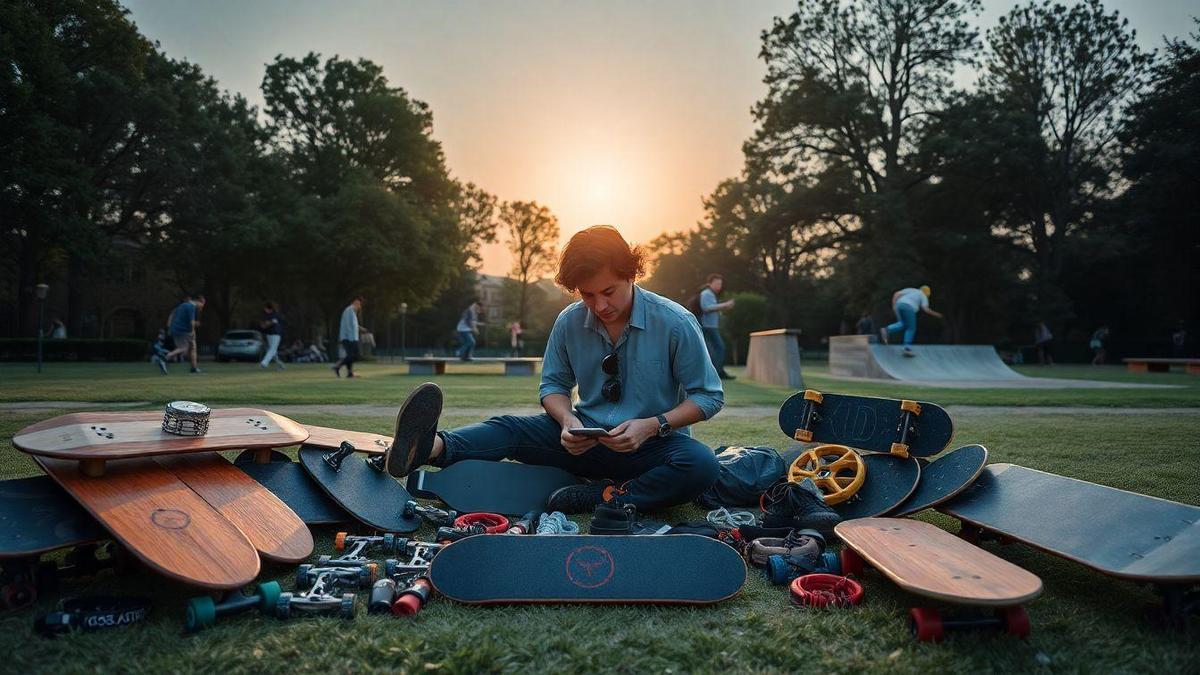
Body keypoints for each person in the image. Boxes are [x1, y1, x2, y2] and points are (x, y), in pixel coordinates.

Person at [385, 226, 729, 514]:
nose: (600, 305)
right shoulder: (569, 321)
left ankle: (605, 496)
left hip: (651, 447)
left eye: (609, 292)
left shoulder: (675, 322)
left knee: (702, 464)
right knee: (509, 427)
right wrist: (567, 421)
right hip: (584, 442)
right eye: (588, 295)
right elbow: (552, 386)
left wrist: (653, 425)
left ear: (631, 273)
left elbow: (709, 396)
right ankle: (428, 448)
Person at [880, 285, 943, 355]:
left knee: (903, 323)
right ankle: (907, 348)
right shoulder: (923, 295)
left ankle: (887, 330)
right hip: (909, 308)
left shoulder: (911, 290)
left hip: (899, 305)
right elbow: (925, 309)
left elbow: (896, 294)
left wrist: (894, 306)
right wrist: (937, 314)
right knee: (911, 328)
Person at [698, 274, 736, 380]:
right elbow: (706, 308)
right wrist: (725, 305)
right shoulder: (706, 293)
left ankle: (717, 371)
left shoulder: (711, 294)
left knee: (714, 349)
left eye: (720, 284)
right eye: (717, 283)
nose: (719, 286)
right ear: (710, 283)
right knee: (719, 348)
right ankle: (717, 372)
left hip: (711, 326)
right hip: (707, 326)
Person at [163, 294, 205, 374]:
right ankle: (166, 357)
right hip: (182, 330)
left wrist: (168, 326)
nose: (202, 307)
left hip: (175, 329)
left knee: (189, 347)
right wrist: (193, 331)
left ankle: (193, 368)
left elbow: (173, 314)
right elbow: (191, 322)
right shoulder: (192, 307)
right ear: (199, 301)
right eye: (202, 304)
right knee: (185, 348)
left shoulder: (183, 305)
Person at [333, 296, 365, 378]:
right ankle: (337, 366)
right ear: (355, 302)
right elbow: (348, 325)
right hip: (349, 338)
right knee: (355, 355)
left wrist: (360, 328)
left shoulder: (352, 311)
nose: (359, 307)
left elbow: (353, 325)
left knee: (350, 355)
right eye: (359, 304)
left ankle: (349, 373)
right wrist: (352, 339)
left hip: (351, 337)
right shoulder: (349, 310)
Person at [259, 303, 285, 370]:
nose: (265, 310)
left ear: (270, 309)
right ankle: (280, 365)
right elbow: (263, 325)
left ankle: (264, 363)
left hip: (276, 334)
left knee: (272, 349)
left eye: (266, 309)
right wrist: (264, 325)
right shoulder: (266, 315)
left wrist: (266, 324)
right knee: (273, 352)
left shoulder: (274, 315)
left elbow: (272, 322)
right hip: (269, 334)